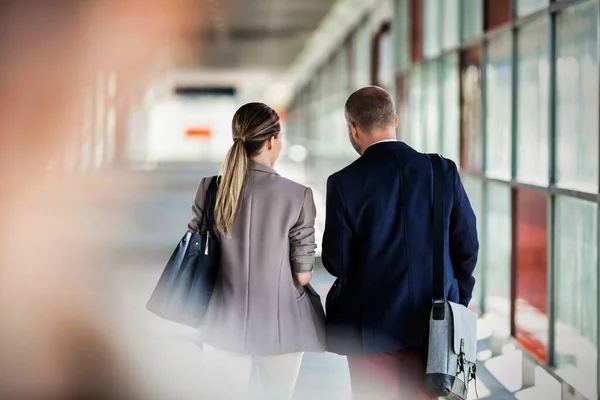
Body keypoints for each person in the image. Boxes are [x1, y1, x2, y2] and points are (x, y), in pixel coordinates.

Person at [321, 86, 479, 400]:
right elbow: (467, 245)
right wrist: (455, 299)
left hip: (371, 328)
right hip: (434, 325)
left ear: (353, 128)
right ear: (395, 119)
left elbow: (337, 263)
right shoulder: (441, 171)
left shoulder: (344, 182)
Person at [188, 102, 324, 399]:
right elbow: (302, 276)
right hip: (281, 327)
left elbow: (196, 253)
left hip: (220, 323)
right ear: (274, 140)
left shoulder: (210, 188)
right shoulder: (298, 195)